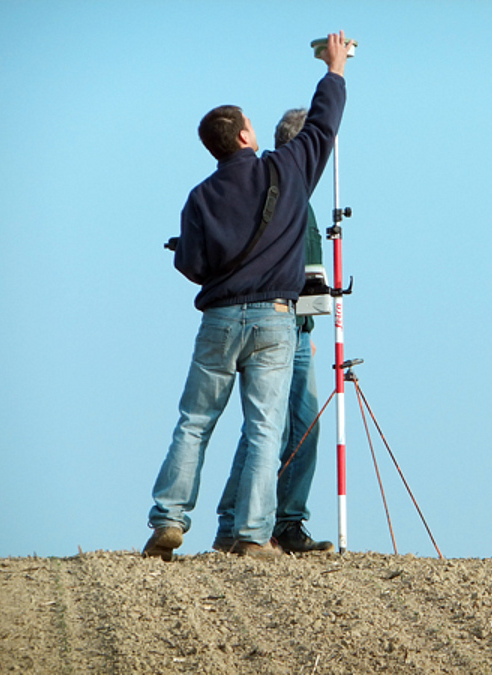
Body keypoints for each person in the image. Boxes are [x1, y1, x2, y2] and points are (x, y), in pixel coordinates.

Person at [142, 32, 350, 561]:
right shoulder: (284, 169)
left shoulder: (200, 196)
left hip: (218, 320)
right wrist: (335, 67)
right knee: (265, 428)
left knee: (194, 422)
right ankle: (254, 535)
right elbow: (323, 123)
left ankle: (168, 520)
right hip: (276, 321)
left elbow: (192, 265)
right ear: (243, 138)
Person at [213, 108, 332, 555]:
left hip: (298, 327)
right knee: (267, 429)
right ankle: (234, 523)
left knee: (302, 426)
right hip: (277, 324)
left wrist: (306, 322)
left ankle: (287, 522)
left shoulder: (299, 196)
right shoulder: (281, 192)